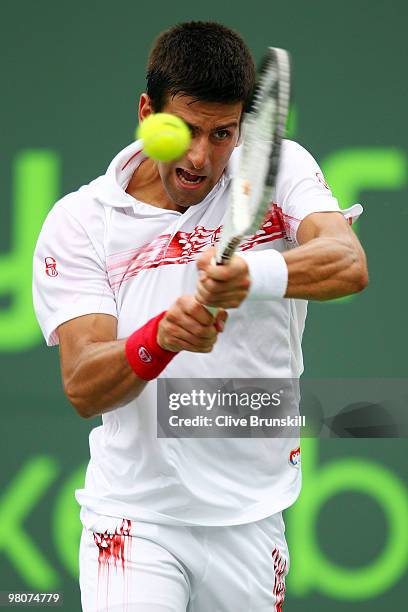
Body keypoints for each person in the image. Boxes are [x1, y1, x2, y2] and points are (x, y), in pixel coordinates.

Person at [33, 21, 368, 612]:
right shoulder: (81, 221)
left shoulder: (276, 167)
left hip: (252, 517)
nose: (200, 157)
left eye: (222, 134)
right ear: (146, 112)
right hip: (134, 522)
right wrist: (160, 338)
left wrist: (253, 276)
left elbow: (347, 261)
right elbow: (84, 385)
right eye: (186, 129)